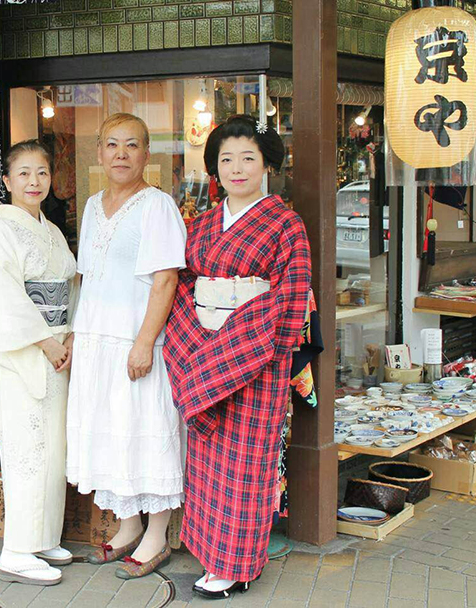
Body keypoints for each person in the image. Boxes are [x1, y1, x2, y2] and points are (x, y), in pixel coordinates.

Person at [164, 115, 312, 599]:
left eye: (248, 158)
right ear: (214, 167)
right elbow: (183, 285)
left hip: (256, 352)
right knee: (207, 459)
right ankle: (212, 552)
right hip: (205, 350)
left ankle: (236, 563)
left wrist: (276, 347)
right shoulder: (202, 224)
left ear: (267, 163)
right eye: (226, 159)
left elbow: (294, 290)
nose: (237, 168)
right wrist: (194, 342)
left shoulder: (284, 223)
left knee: (247, 461)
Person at [66, 113, 187, 579]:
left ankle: (157, 534)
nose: (121, 154)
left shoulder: (157, 206)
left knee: (146, 432)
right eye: (112, 145)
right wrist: (77, 332)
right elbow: (88, 279)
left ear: (146, 153)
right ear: (98, 153)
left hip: (137, 343)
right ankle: (127, 525)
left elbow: (166, 279)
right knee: (114, 435)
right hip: (98, 340)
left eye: (131, 145)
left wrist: (144, 342)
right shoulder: (93, 205)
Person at [0, 140, 79, 586]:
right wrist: (45, 341)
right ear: (7, 181)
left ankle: (42, 536)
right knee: (27, 449)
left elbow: (71, 287)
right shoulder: (1, 233)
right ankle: (16, 549)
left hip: (57, 349)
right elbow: (4, 296)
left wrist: (70, 333)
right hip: (25, 353)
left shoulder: (52, 231)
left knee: (53, 447)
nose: (34, 181)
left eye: (41, 172)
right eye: (23, 173)